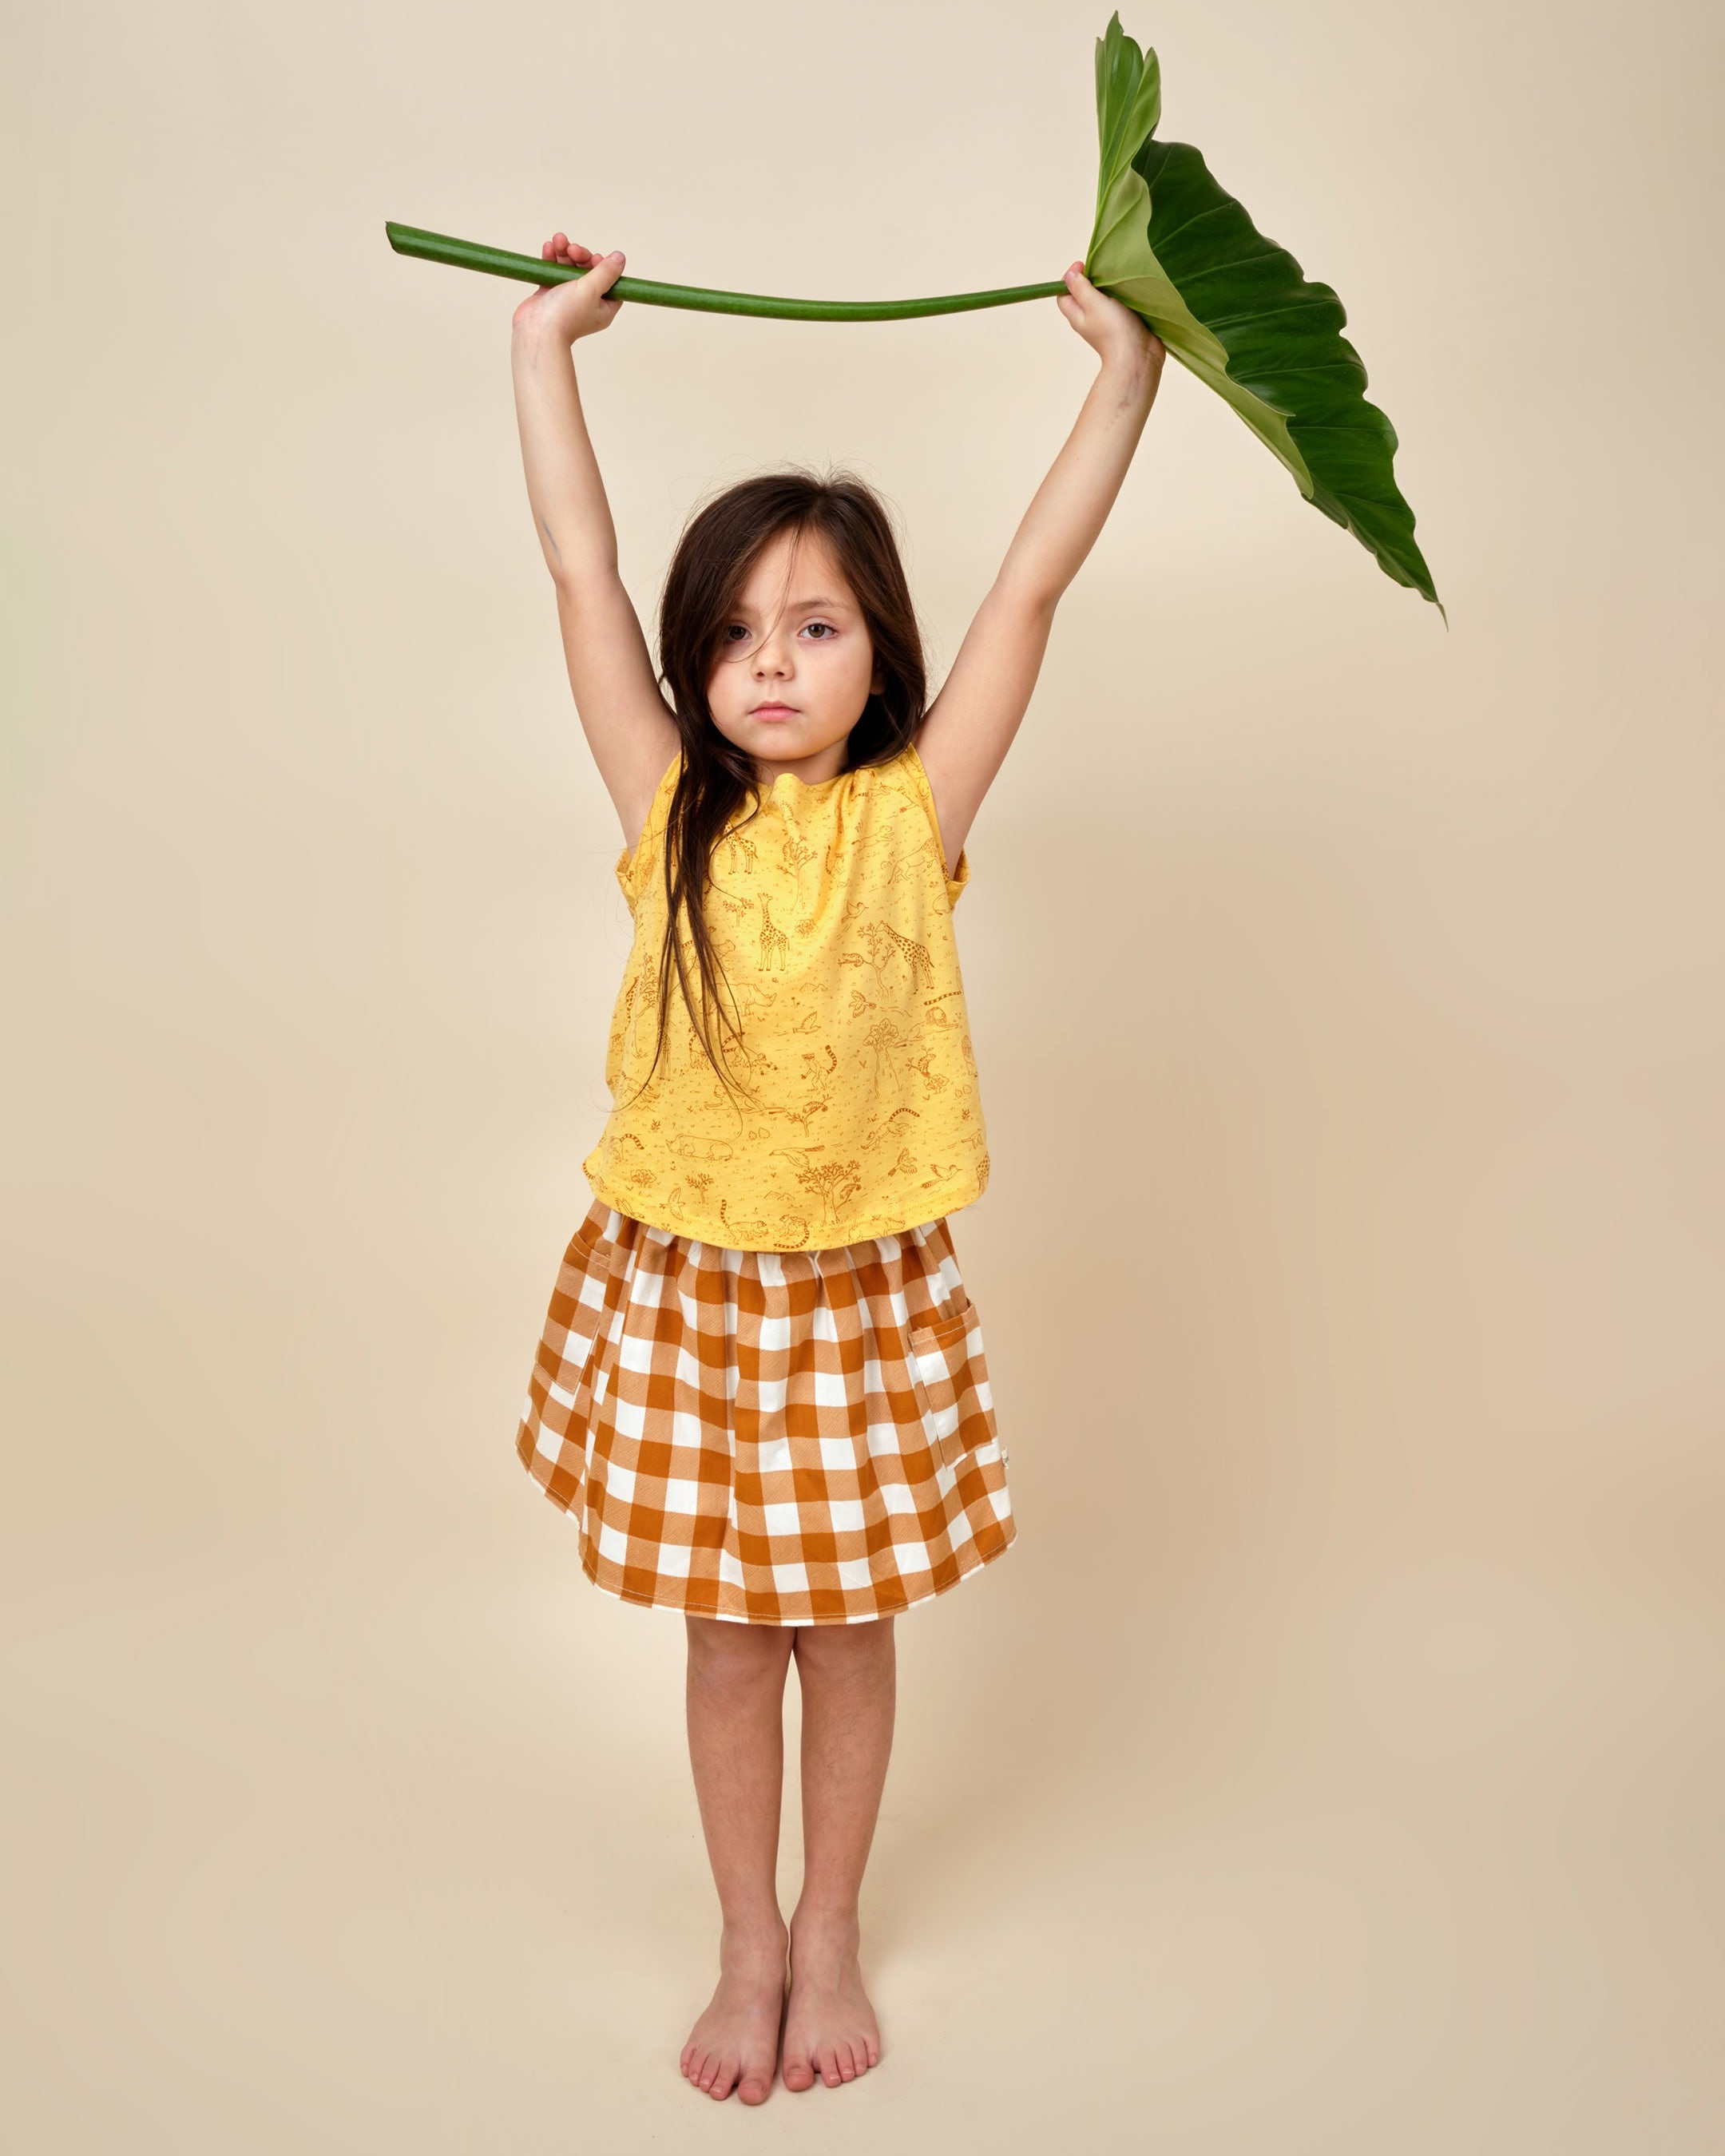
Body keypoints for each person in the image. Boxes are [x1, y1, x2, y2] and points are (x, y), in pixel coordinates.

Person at [506, 232, 1164, 2106]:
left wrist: (1122, 379)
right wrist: (549, 349)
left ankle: (833, 1928)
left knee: (849, 1628)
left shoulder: (912, 813)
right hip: (698, 1282)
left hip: (856, 1284)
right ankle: (745, 1937)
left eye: (815, 628)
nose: (770, 662)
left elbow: (1032, 584)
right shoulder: (665, 804)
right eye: (733, 633)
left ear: (882, 657)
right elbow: (578, 569)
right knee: (732, 1636)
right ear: (691, 666)